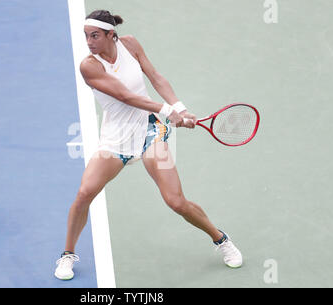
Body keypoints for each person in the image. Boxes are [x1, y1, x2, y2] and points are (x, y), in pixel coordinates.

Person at [55, 10, 242, 280]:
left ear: (111, 34)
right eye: (86, 36)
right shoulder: (89, 66)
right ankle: (68, 255)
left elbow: (155, 77)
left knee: (176, 202)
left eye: (94, 35)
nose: (89, 41)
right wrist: (169, 111)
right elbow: (125, 96)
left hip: (149, 132)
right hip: (115, 141)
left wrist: (180, 108)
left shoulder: (130, 44)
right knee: (84, 194)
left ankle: (221, 240)